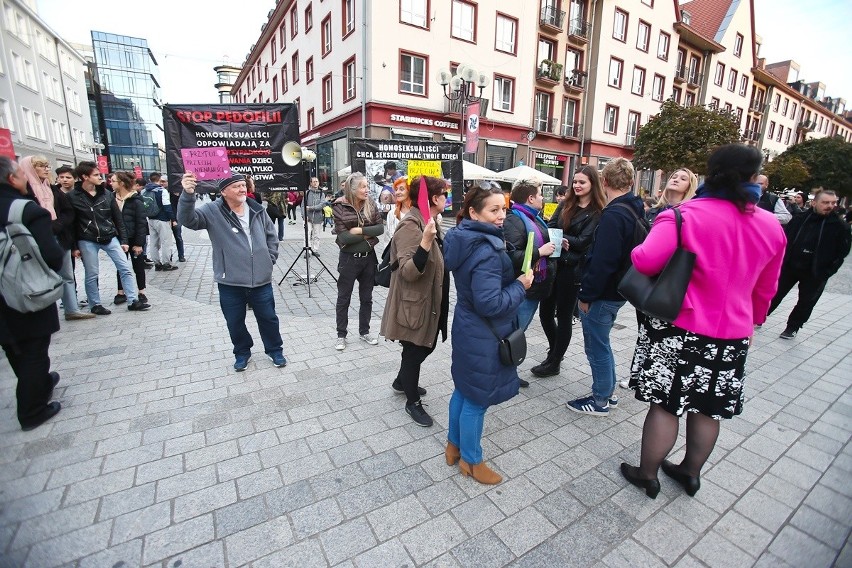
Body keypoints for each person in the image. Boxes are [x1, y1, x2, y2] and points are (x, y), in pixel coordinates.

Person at [620, 144, 786, 499]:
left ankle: (647, 474)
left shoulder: (684, 215)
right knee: (708, 408)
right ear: (754, 178)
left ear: (711, 174)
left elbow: (646, 261)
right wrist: (755, 323)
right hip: (732, 333)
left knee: (666, 404)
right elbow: (767, 288)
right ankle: (690, 473)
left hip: (678, 329)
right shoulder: (772, 226)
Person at [442, 185, 533, 484]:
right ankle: (471, 460)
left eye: (503, 209)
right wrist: (521, 285)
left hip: (468, 327)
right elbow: (490, 303)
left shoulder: (463, 238)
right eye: (493, 210)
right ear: (473, 212)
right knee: (476, 401)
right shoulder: (486, 250)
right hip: (484, 334)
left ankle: (453, 447)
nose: (501, 216)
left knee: (464, 390)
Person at [178, 172, 287, 371]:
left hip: (261, 280)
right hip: (230, 282)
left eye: (243, 185)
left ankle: (275, 350)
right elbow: (188, 220)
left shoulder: (257, 209)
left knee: (269, 318)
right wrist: (187, 193)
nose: (242, 189)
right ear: (223, 191)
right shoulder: (212, 211)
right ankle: (242, 352)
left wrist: (268, 260)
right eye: (236, 186)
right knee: (235, 322)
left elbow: (272, 236)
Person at [567, 158, 643, 416]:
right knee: (603, 343)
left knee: (596, 346)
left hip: (603, 292)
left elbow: (602, 261)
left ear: (604, 182)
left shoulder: (614, 215)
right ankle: (607, 393)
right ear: (631, 183)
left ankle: (600, 399)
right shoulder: (634, 209)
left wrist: (586, 295)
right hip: (619, 289)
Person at [0, 156, 66, 430]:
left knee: (13, 345)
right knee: (35, 348)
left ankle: (36, 383)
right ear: (11, 179)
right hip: (25, 289)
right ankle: (32, 409)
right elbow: (51, 254)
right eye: (21, 173)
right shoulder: (26, 209)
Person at [381, 176, 449, 427]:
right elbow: (408, 272)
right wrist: (425, 242)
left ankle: (401, 381)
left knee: (424, 346)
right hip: (413, 303)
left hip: (427, 299)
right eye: (444, 194)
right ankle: (412, 402)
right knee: (415, 349)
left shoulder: (428, 221)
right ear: (433, 198)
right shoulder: (411, 226)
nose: (447, 198)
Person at [533, 166, 605, 378]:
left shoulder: (597, 211)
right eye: (575, 181)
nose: (577, 185)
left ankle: (554, 361)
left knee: (564, 316)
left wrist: (565, 239)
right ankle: (555, 352)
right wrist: (563, 238)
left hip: (573, 269)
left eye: (582, 182)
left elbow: (585, 241)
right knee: (545, 313)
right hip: (554, 263)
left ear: (593, 184)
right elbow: (550, 227)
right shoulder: (565, 204)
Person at [767, 188, 850, 339]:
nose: (830, 206)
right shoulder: (799, 219)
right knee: (774, 293)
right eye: (825, 202)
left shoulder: (839, 226)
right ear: (814, 203)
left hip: (816, 270)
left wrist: (827, 271)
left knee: (806, 301)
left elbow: (842, 252)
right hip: (790, 265)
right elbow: (785, 239)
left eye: (833, 203)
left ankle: (793, 326)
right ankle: (761, 316)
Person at [68, 162, 150, 314]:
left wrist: (124, 241)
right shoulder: (73, 196)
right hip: (87, 238)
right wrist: (74, 246)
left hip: (110, 236)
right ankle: (95, 304)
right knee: (92, 273)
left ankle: (133, 300)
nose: (101, 177)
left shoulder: (106, 194)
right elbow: (71, 223)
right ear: (85, 177)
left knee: (125, 268)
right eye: (96, 175)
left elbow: (118, 219)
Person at [19, 157, 93, 321]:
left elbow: (68, 211)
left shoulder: (53, 189)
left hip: (59, 236)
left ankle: (71, 309)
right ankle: (44, 315)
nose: (46, 169)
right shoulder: (24, 191)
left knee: (66, 275)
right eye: (41, 166)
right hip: (36, 238)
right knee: (40, 277)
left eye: (47, 166)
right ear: (31, 168)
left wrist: (57, 224)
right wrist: (45, 225)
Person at [332, 172, 384, 350]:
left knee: (366, 298)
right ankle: (341, 335)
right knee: (343, 298)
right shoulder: (339, 207)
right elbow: (344, 237)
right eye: (363, 186)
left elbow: (379, 228)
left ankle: (364, 331)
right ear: (352, 190)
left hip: (368, 259)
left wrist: (358, 231)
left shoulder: (371, 204)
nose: (367, 189)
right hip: (348, 260)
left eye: (367, 186)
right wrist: (364, 233)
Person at [503, 178, 556, 332]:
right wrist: (540, 252)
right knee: (514, 334)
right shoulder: (514, 220)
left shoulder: (534, 217)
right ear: (530, 198)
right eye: (540, 195)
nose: (542, 198)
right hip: (524, 290)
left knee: (519, 331)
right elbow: (511, 256)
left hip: (534, 287)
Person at [111, 171, 149, 305]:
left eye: (113, 181)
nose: (111, 183)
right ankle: (120, 291)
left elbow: (141, 223)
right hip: (118, 238)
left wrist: (139, 243)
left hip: (134, 238)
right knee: (121, 265)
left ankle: (141, 291)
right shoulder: (111, 198)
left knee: (138, 265)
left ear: (121, 183)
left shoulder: (135, 199)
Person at [144, 173, 178, 272]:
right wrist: (173, 219)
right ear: (159, 180)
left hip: (150, 219)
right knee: (166, 242)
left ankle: (157, 263)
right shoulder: (161, 191)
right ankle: (166, 263)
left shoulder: (145, 191)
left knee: (153, 242)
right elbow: (167, 206)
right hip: (162, 219)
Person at [161, 175, 186, 262]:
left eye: (164, 181)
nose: (162, 183)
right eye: (161, 181)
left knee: (178, 237)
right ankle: (169, 256)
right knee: (167, 239)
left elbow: (180, 204)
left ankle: (181, 255)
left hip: (176, 217)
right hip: (165, 218)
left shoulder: (176, 192)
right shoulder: (160, 192)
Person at [304, 177, 325, 257]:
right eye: (314, 181)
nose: (315, 183)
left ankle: (315, 249)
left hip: (318, 217)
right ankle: (308, 250)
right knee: (307, 233)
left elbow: (321, 205)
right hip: (308, 217)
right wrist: (304, 215)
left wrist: (310, 208)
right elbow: (303, 205)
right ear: (311, 183)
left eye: (317, 181)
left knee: (316, 235)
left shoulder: (321, 193)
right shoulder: (307, 193)